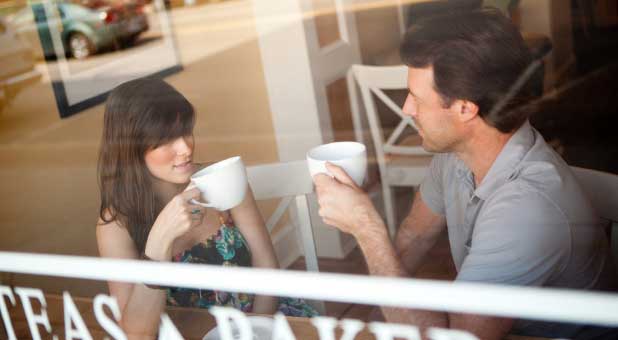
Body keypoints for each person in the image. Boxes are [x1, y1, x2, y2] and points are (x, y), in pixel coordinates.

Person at [313, 8, 616, 340]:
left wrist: (367, 228)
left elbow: (457, 339)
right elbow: (415, 236)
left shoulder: (525, 209)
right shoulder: (458, 154)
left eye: (416, 98)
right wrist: (372, 322)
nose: (407, 110)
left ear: (465, 108)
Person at [96, 77, 315, 338]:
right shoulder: (116, 224)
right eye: (166, 140)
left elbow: (267, 267)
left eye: (185, 130)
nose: (185, 147)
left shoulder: (223, 179)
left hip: (260, 323)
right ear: (130, 147)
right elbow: (137, 333)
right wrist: (159, 240)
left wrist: (251, 331)